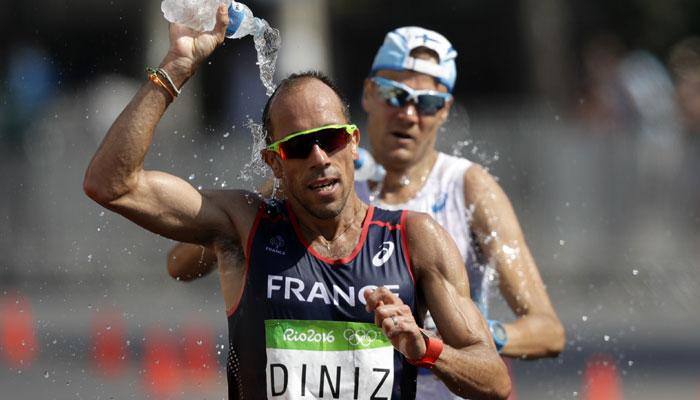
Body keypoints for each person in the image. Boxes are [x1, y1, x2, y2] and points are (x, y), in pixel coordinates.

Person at [83, 6, 510, 400]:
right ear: (274, 162)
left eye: (331, 139)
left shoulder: (416, 239)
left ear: (353, 142)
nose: (320, 158)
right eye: (300, 147)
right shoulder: (245, 225)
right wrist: (176, 67)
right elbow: (112, 184)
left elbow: (494, 379)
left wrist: (426, 348)